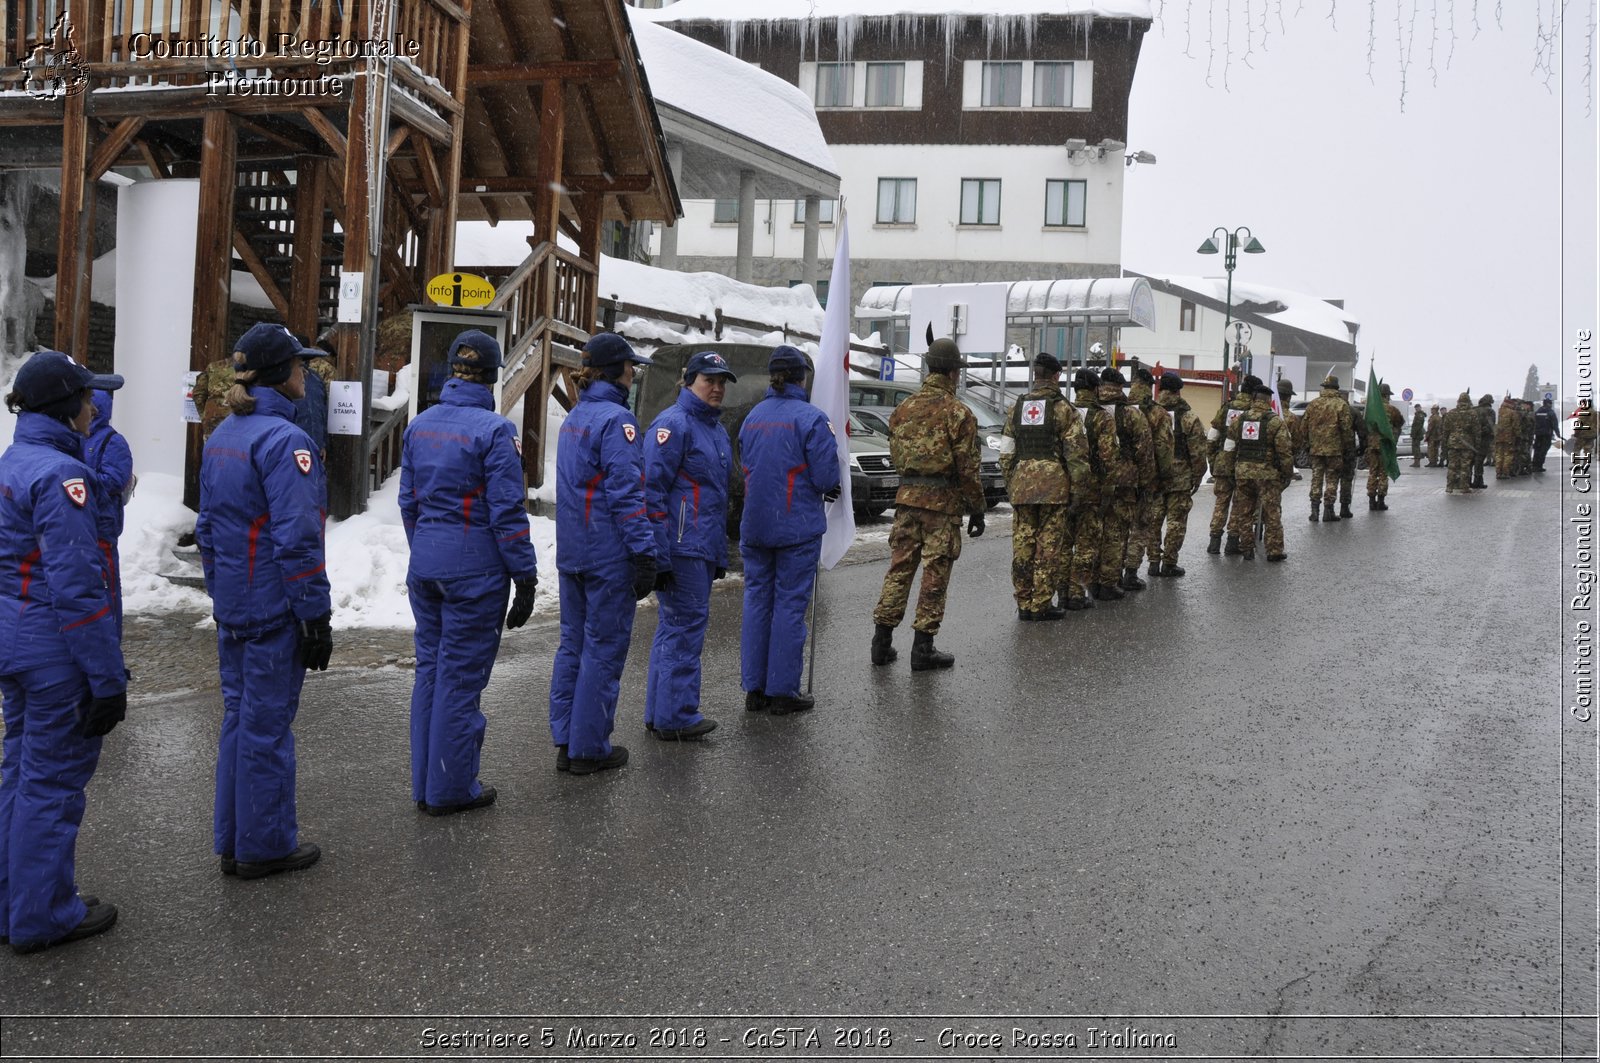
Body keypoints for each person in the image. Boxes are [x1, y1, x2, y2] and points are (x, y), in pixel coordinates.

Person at [0, 351, 127, 953]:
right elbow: (79, 589)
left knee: (20, 773)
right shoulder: (60, 476)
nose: (92, 406)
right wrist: (107, 679)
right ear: (68, 407)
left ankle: (12, 902)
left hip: (13, 640)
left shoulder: (12, 461)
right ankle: (45, 913)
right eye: (86, 396)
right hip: (52, 649)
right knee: (52, 783)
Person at [196, 323, 333, 880]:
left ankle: (234, 839)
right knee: (267, 727)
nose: (307, 372)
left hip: (235, 600)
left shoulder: (224, 434)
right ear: (283, 373)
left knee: (239, 718)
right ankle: (265, 844)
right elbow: (298, 537)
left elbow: (207, 529)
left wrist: (220, 589)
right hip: (274, 603)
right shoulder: (286, 441)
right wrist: (314, 613)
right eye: (300, 364)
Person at [400, 329, 537, 815]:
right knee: (460, 679)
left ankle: (425, 784)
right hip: (475, 570)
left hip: (427, 565)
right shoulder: (496, 431)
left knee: (431, 672)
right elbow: (506, 511)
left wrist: (427, 550)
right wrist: (525, 575)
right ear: (493, 376)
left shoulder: (420, 426)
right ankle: (452, 788)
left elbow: (408, 502)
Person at [549, 333, 658, 775]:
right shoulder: (618, 421)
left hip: (573, 551)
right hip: (606, 554)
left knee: (572, 644)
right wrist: (644, 552)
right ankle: (589, 746)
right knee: (603, 648)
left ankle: (567, 736)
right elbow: (627, 494)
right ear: (617, 371)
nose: (633, 374)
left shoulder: (577, 417)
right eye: (631, 367)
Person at [871, 336, 983, 669]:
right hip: (942, 506)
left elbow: (896, 456)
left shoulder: (902, 409)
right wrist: (976, 508)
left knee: (899, 570)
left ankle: (881, 642)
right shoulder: (959, 413)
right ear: (952, 373)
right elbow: (968, 468)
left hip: (906, 502)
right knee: (934, 574)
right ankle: (922, 648)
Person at [739, 346, 840, 712]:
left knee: (756, 603)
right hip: (795, 526)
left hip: (756, 525)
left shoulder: (752, 417)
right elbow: (827, 476)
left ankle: (755, 689)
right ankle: (782, 691)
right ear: (802, 378)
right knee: (788, 607)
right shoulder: (811, 419)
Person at [644, 350, 736, 735]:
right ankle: (676, 716)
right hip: (680, 547)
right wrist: (658, 555)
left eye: (721, 382)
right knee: (684, 628)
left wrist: (717, 552)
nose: (716, 388)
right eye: (708, 380)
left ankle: (660, 712)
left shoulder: (714, 428)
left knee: (674, 628)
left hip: (699, 545)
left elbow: (713, 496)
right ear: (688, 381)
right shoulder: (674, 424)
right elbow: (650, 490)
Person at [998, 352, 1088, 621]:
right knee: (1048, 547)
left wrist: (1011, 482)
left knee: (1023, 545)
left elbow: (1006, 451)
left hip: (1022, 486)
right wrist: (1078, 492)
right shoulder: (1065, 410)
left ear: (1035, 374)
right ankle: (1041, 604)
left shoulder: (1017, 406)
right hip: (1053, 487)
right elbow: (1077, 456)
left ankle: (1024, 603)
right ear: (1057, 376)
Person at [1225, 381, 1295, 561]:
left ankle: (1247, 548)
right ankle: (1274, 551)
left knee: (1245, 512)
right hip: (1267, 475)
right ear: (1269, 400)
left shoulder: (1239, 420)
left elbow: (1230, 446)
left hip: (1243, 473)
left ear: (1254, 399)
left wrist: (1230, 469)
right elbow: (1284, 452)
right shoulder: (1275, 421)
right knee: (1272, 513)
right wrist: (1287, 474)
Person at [84, 387, 135, 634]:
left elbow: (115, 480)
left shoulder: (113, 441)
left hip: (103, 526)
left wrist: (79, 479)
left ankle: (111, 637)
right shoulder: (76, 436)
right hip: (79, 525)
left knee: (107, 588)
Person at [1149, 371, 1208, 576]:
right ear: (1178, 391)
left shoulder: (1150, 412)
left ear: (1161, 389)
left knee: (1153, 519)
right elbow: (1198, 451)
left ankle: (1153, 562)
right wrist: (1198, 476)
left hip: (1154, 475)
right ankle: (1169, 563)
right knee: (1176, 521)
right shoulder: (1188, 416)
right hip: (1180, 476)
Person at [1060, 368, 1105, 610]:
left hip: (1063, 486)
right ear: (1096, 389)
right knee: (1086, 543)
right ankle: (1076, 592)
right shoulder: (1102, 416)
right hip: (1091, 488)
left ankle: (1062, 592)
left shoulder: (1065, 410)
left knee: (1065, 542)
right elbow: (1109, 457)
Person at [1125, 366, 1174, 586]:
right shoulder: (1158, 413)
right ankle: (1131, 572)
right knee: (1141, 524)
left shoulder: (1117, 408)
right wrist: (1164, 476)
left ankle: (1109, 575)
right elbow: (1163, 449)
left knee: (1116, 526)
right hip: (1147, 478)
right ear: (1149, 387)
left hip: (1118, 477)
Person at [1205, 375, 1259, 554]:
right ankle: (1232, 543)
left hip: (1222, 462)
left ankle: (1214, 543)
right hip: (1244, 463)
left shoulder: (1226, 407)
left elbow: (1212, 437)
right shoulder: (1254, 411)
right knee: (1239, 503)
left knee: (1221, 502)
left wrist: (1214, 462)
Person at [1303, 374, 1354, 522]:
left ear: (1324, 388)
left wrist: (1307, 445)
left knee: (1316, 478)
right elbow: (1347, 430)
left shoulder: (1313, 404)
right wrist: (1348, 448)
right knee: (1332, 479)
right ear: (1336, 388)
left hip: (1316, 450)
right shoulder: (1341, 405)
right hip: (1334, 450)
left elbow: (1304, 427)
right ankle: (1328, 510)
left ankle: (1314, 510)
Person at [1364, 383, 1404, 510]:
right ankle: (1380, 501)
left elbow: (1365, 426)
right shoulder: (1392, 410)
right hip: (1385, 445)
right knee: (1383, 473)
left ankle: (1371, 501)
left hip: (1372, 445)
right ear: (1387, 395)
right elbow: (1400, 423)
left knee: (1372, 472)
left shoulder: (1370, 408)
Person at [1442, 392, 1481, 494]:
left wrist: (1444, 445)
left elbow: (1445, 431)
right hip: (1467, 444)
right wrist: (1477, 446)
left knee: (1452, 466)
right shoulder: (1472, 414)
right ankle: (1464, 487)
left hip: (1452, 442)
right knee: (1465, 466)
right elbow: (1477, 432)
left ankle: (1449, 487)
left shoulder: (1451, 413)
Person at [1470, 393, 1495, 489]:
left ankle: (1468, 480)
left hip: (1472, 439)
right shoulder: (1490, 411)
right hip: (1483, 439)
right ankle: (1478, 481)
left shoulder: (1474, 410)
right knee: (1479, 461)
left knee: (1471, 460)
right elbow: (1490, 426)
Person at [1533, 396, 1561, 472]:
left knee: (1537, 449)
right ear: (1549, 404)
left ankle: (1534, 465)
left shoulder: (1538, 411)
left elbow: (1533, 422)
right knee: (1543, 449)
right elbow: (1554, 424)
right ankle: (1539, 465)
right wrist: (1558, 434)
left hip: (1538, 434)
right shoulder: (1550, 412)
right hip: (1546, 434)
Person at [1573, 399, 1595, 464]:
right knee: (1588, 450)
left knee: (1576, 449)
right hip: (1592, 434)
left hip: (1583, 434)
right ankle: (1586, 464)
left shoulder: (1585, 411)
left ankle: (1576, 464)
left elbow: (1579, 423)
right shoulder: (1595, 412)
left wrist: (1576, 433)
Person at [1409, 403, 1426, 467]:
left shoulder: (1420, 415)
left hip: (1417, 434)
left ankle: (1417, 462)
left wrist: (1414, 434)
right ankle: (1416, 461)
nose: (1416, 409)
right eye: (1416, 408)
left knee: (1416, 448)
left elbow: (1418, 426)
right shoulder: (1417, 415)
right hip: (1416, 434)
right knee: (1415, 447)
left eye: (1417, 407)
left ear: (1420, 407)